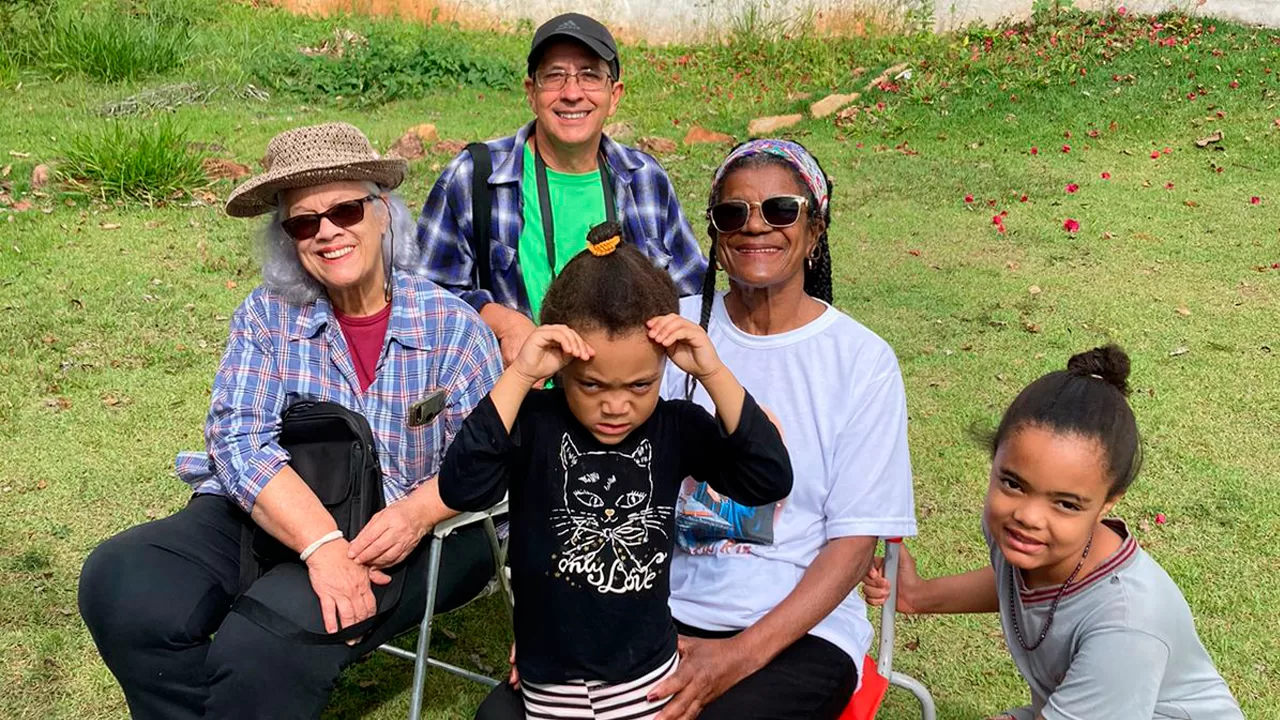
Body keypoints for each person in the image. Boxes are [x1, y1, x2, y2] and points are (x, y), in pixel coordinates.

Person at [475, 139, 916, 720]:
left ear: (815, 230)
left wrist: (736, 657)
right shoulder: (656, 326)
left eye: (782, 209)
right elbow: (564, 454)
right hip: (644, 611)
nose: (755, 227)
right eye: (733, 213)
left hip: (791, 632)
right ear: (714, 233)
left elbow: (855, 546)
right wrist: (560, 619)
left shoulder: (860, 359)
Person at [77, 122, 504, 720]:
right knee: (123, 585)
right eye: (304, 221)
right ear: (288, 238)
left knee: (264, 646)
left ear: (384, 213)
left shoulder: (454, 327)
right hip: (278, 511)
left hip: (408, 528)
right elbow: (238, 438)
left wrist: (416, 513)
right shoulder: (265, 316)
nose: (328, 231)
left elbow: (490, 463)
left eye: (346, 210)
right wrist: (321, 544)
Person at [441, 221, 792, 719]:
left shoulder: (676, 428)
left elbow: (768, 478)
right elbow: (461, 485)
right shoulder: (535, 426)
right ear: (563, 366)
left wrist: (713, 372)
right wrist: (520, 375)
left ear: (665, 367)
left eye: (640, 385)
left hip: (646, 685)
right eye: (592, 386)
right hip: (547, 690)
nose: (616, 406)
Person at [863, 346, 1244, 720]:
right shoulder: (1020, 536)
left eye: (1065, 504)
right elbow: (1020, 586)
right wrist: (918, 596)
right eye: (1013, 483)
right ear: (994, 459)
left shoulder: (1126, 627)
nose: (1028, 516)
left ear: (1109, 501)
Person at [416, 12, 706, 367]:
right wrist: (501, 321)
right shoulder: (474, 176)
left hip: (623, 404)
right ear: (531, 93)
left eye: (589, 75)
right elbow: (423, 299)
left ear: (614, 95)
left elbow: (693, 296)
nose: (572, 93)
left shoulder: (646, 179)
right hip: (520, 400)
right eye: (554, 76)